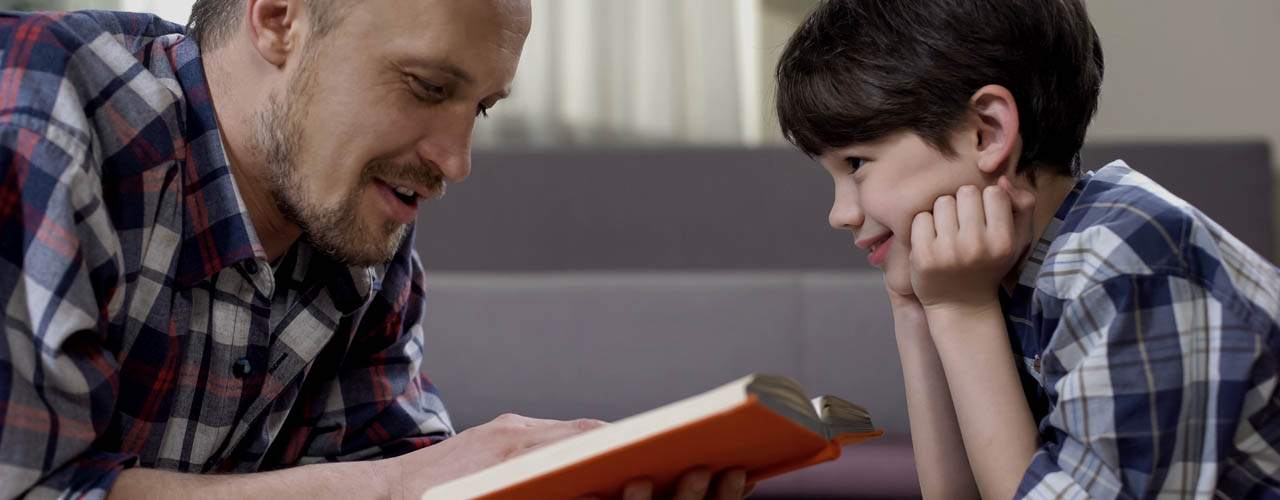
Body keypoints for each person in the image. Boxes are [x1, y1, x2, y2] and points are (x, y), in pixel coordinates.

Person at [0, 1, 749, 499]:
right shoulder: (41, 114)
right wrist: (399, 489)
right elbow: (29, 486)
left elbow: (400, 460)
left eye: (480, 108)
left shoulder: (350, 210)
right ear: (279, 18)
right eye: (426, 87)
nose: (456, 162)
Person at [775, 1, 1280, 498]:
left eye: (857, 163)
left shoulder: (1126, 262)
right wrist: (915, 309)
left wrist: (960, 311)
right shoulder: (1003, 269)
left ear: (986, 132)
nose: (840, 213)